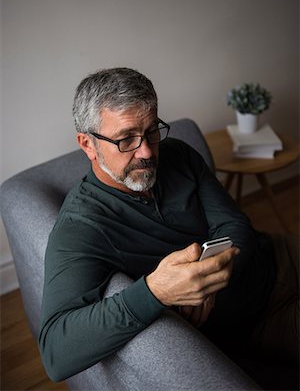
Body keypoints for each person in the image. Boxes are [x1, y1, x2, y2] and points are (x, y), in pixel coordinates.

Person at [39, 67, 299, 384]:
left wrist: (207, 281)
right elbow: (55, 352)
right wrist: (155, 291)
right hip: (262, 319)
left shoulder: (179, 154)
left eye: (151, 131)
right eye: (126, 139)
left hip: (278, 253)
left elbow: (235, 223)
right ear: (88, 144)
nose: (147, 151)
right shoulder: (82, 227)